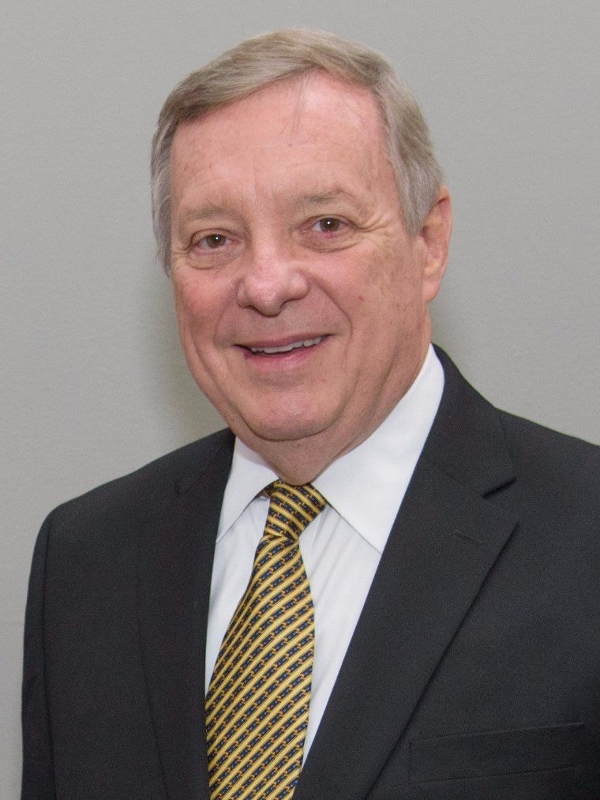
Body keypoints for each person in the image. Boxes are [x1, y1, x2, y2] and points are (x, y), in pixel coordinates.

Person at [22, 28, 600, 800]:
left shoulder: (586, 537)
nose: (267, 286)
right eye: (215, 239)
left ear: (429, 241)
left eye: (325, 225)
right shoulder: (86, 560)